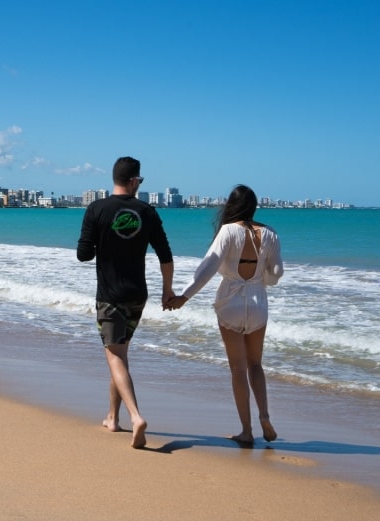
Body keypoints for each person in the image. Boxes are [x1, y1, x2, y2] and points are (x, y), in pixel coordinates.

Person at [166, 184, 283, 446]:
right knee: (256, 365)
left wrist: (184, 296)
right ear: (254, 206)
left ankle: (246, 431)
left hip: (230, 300)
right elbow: (276, 274)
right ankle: (264, 415)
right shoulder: (271, 234)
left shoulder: (228, 231)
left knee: (237, 369)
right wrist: (260, 277)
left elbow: (208, 266)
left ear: (232, 206)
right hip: (257, 303)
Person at [77, 156, 175, 449]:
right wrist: (167, 291)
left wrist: (103, 240)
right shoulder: (147, 211)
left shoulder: (97, 209)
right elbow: (165, 255)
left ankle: (136, 417)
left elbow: (84, 254)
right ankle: (112, 417)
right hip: (137, 294)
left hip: (110, 295)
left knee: (115, 354)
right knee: (120, 352)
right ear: (134, 181)